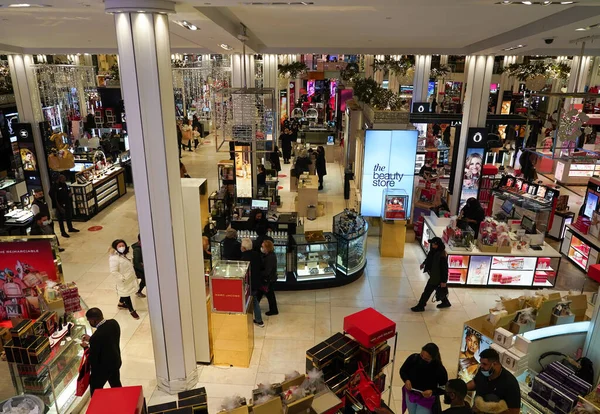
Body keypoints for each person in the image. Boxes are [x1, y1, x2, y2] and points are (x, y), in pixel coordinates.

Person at [81, 308, 122, 395]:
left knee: (95, 388)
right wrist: (91, 340)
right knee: (116, 384)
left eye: (89, 321)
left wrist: (86, 348)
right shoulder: (113, 323)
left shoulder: (97, 336)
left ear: (93, 320)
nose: (89, 323)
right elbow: (108, 340)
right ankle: (121, 400)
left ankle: (97, 406)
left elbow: (93, 359)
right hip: (115, 362)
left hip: (103, 369)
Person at [467, 349, 521, 414]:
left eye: (484, 364)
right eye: (481, 363)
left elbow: (514, 411)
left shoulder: (510, 383)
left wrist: (485, 409)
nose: (481, 366)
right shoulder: (482, 371)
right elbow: (475, 382)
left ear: (494, 364)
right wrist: (462, 387)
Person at [400, 343, 448, 414]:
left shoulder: (439, 369)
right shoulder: (414, 358)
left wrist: (432, 392)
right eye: (421, 355)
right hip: (411, 394)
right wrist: (406, 380)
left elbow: (444, 388)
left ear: (433, 359)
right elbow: (403, 370)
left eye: (426, 359)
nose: (422, 359)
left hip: (426, 400)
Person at [411, 237, 450, 312]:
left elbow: (444, 270)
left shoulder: (441, 256)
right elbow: (429, 259)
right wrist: (424, 263)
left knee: (427, 291)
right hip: (434, 275)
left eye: (434, 244)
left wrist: (444, 281)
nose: (432, 245)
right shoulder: (433, 251)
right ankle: (445, 302)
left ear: (437, 245)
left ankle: (421, 306)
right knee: (438, 289)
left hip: (436, 277)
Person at [109, 239, 140, 319]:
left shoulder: (126, 254)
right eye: (119, 246)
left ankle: (121, 303)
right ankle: (131, 310)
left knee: (125, 292)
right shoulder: (114, 258)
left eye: (123, 245)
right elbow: (114, 271)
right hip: (124, 280)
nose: (122, 247)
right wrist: (123, 278)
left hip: (130, 278)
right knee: (126, 294)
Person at [241, 238, 264, 327]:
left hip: (249, 283)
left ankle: (259, 320)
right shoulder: (256, 254)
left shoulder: (244, 258)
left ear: (244, 248)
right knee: (254, 300)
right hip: (256, 282)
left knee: (254, 301)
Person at [49, 174, 79, 238]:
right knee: (61, 219)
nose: (65, 180)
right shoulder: (54, 187)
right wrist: (59, 207)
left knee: (69, 216)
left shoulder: (64, 184)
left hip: (67, 202)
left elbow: (66, 191)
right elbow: (54, 198)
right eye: (63, 179)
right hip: (59, 205)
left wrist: (69, 194)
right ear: (59, 179)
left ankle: (70, 228)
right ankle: (63, 232)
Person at [256, 240, 278, 316]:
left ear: (267, 248)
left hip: (268, 280)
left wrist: (259, 273)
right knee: (265, 294)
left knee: (268, 295)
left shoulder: (270, 257)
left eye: (263, 247)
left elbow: (267, 271)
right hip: (269, 279)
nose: (261, 248)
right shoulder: (269, 255)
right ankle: (273, 309)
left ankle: (273, 310)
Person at [131, 234, 146, 298]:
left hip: (143, 267)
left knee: (145, 280)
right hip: (140, 269)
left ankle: (138, 291)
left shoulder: (143, 246)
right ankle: (138, 291)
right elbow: (137, 263)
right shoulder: (137, 250)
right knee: (144, 280)